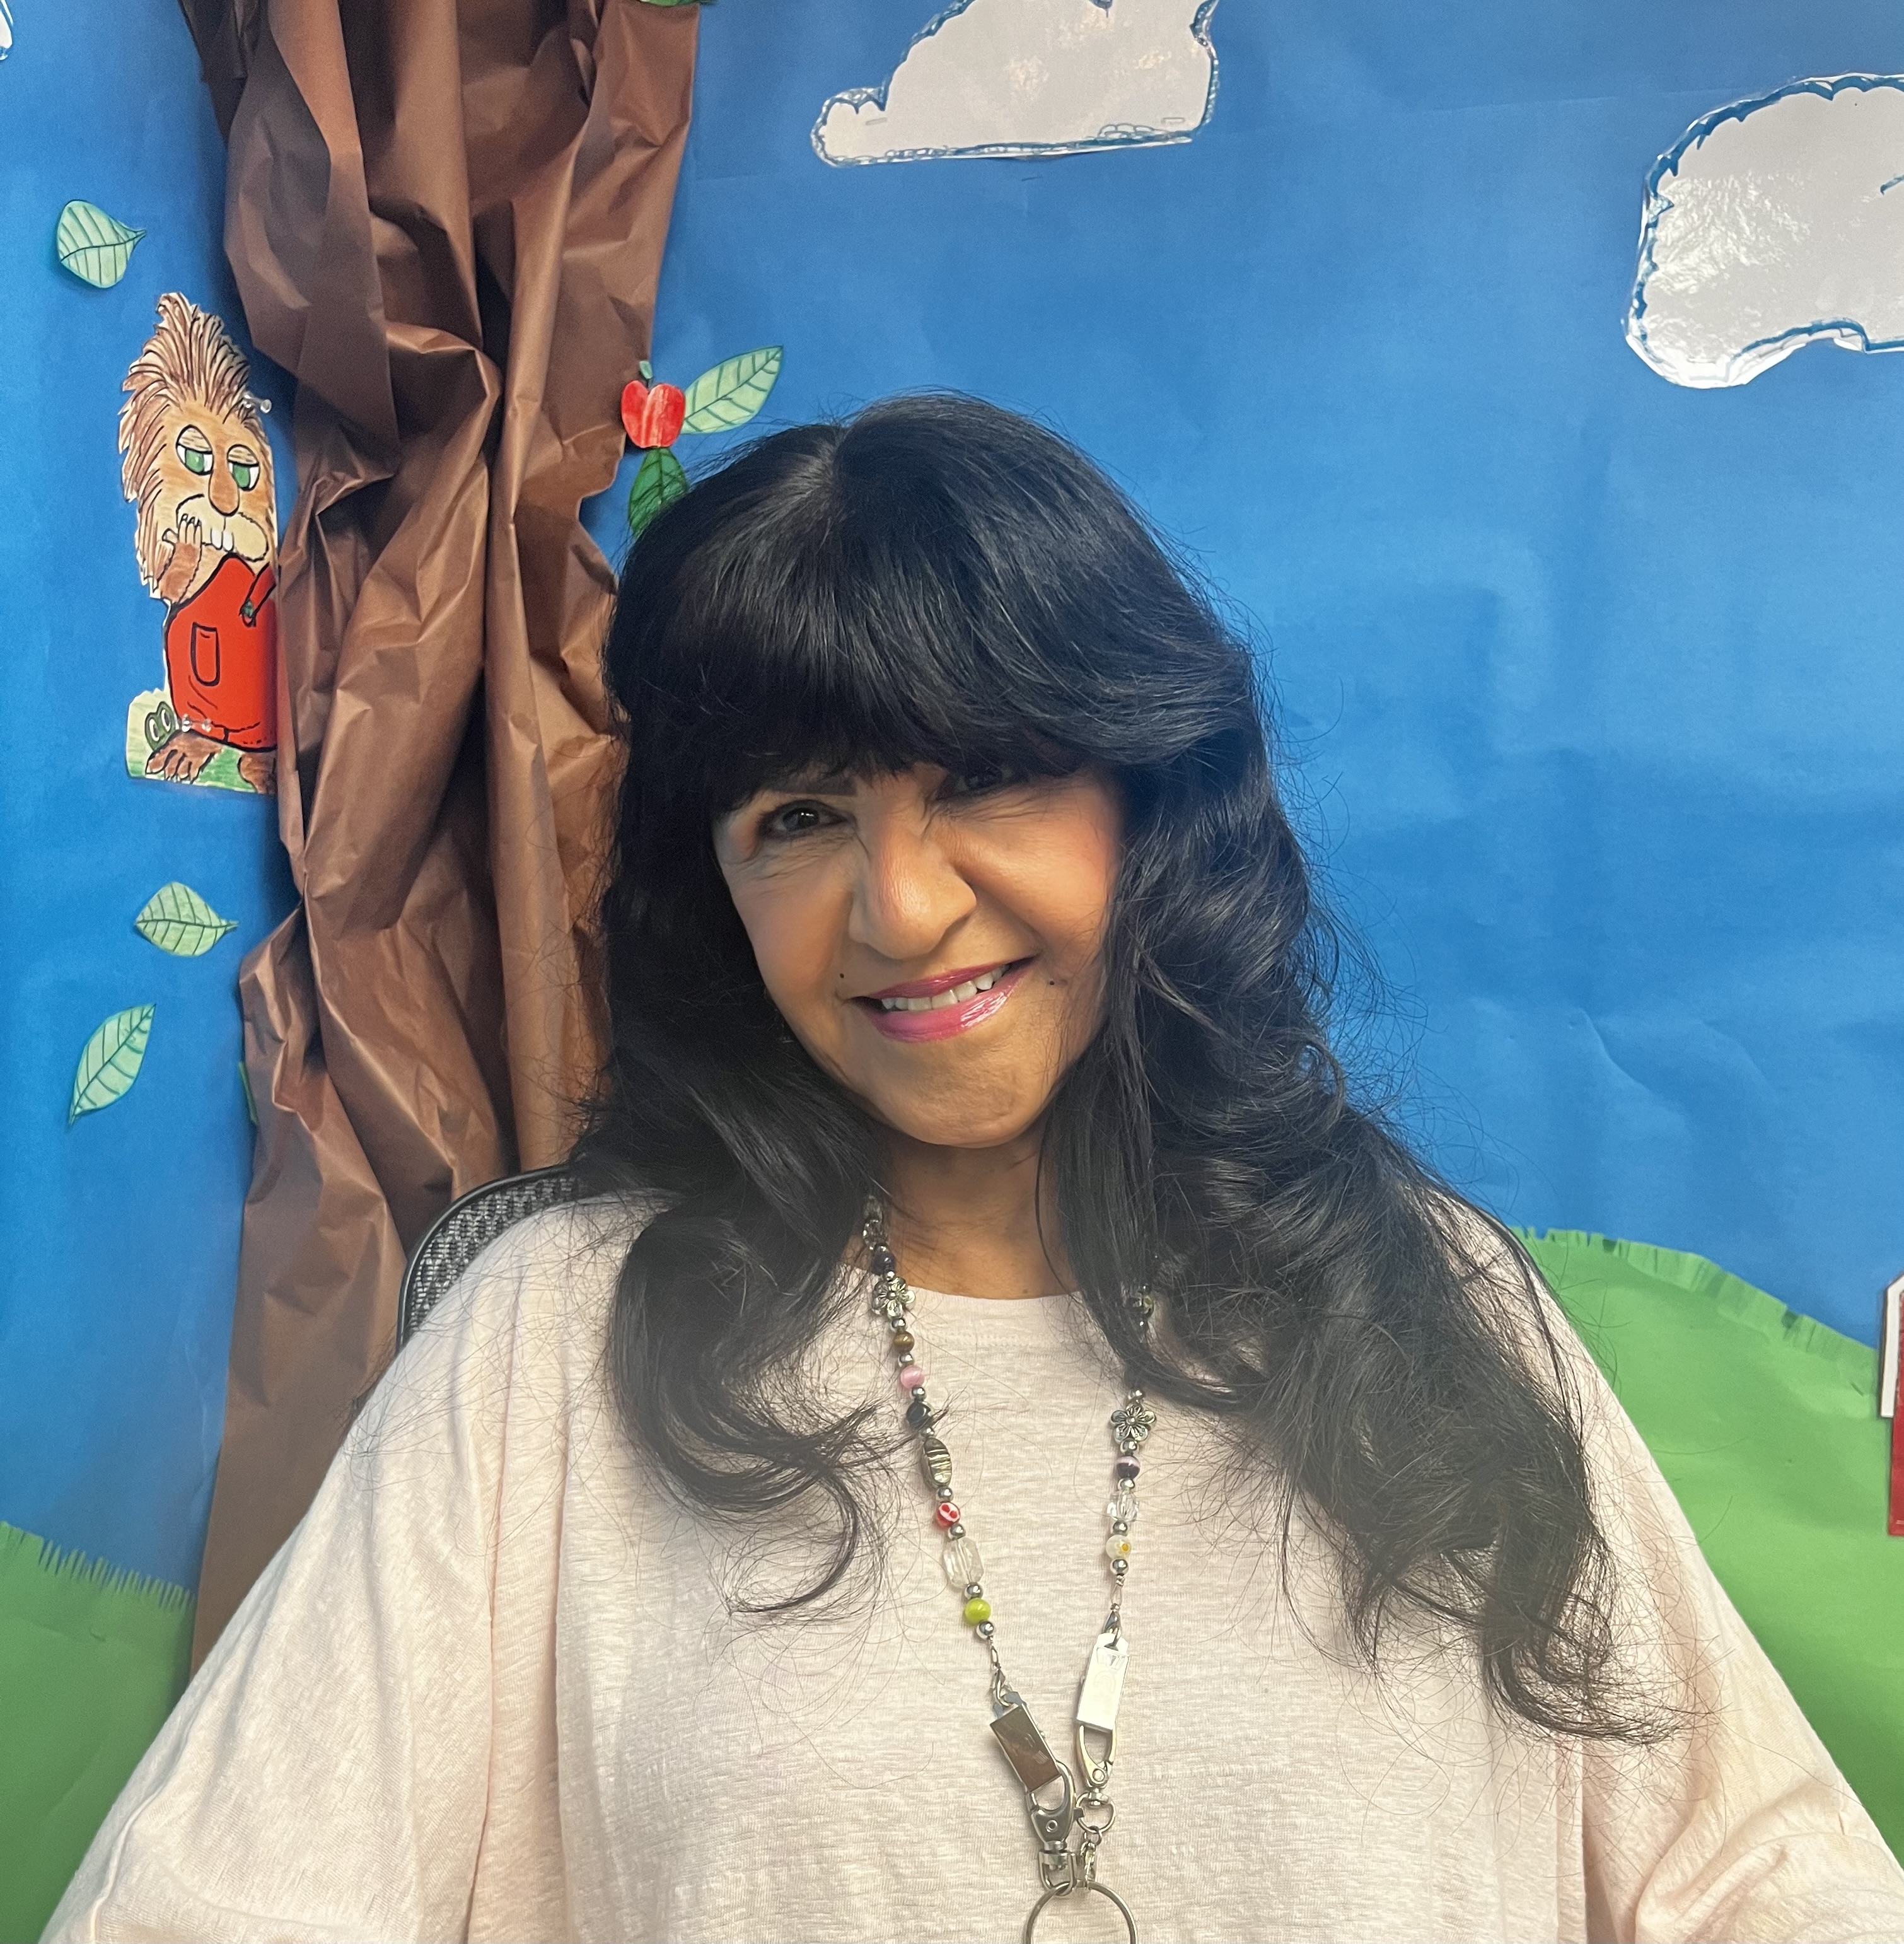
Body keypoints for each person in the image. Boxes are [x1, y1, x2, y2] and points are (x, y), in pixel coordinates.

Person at [46, 397, 1904, 1944]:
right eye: (799, 818)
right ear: (717, 887)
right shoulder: (553, 1345)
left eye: (986, 778)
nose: (904, 906)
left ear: (1144, 796)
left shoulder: (1423, 1299)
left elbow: (1769, 1882)